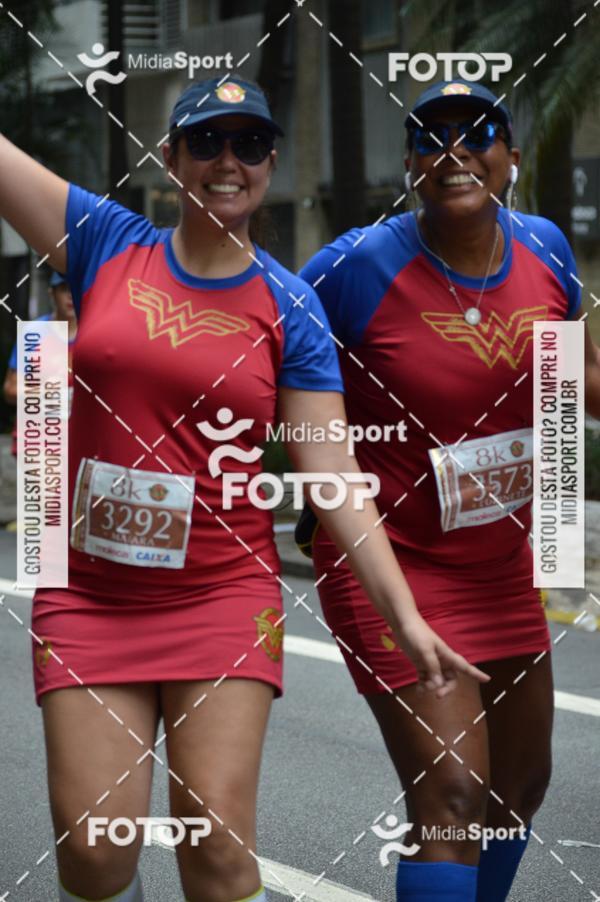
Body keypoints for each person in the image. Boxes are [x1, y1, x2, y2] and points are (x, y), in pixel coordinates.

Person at [0, 77, 487, 902]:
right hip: (88, 595)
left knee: (221, 860)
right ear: (172, 157)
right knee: (94, 856)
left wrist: (406, 617)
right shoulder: (106, 241)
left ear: (268, 164)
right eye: (207, 143)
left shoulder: (289, 305)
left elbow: (331, 474)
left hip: (222, 596)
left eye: (251, 145)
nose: (229, 162)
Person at [299, 80, 600, 902]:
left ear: (508, 159)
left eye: (477, 134)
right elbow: (263, 375)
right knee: (453, 798)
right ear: (410, 166)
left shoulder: (544, 250)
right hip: (388, 560)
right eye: (432, 139)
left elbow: (574, 380)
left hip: (497, 561)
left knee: (519, 787)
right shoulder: (353, 269)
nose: (454, 151)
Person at [3, 271, 76, 530]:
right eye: (62, 288)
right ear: (51, 293)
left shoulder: (96, 333)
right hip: (39, 439)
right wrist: (48, 390)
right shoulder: (36, 333)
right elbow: (11, 389)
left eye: (74, 287)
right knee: (51, 514)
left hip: (81, 441)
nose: (69, 295)